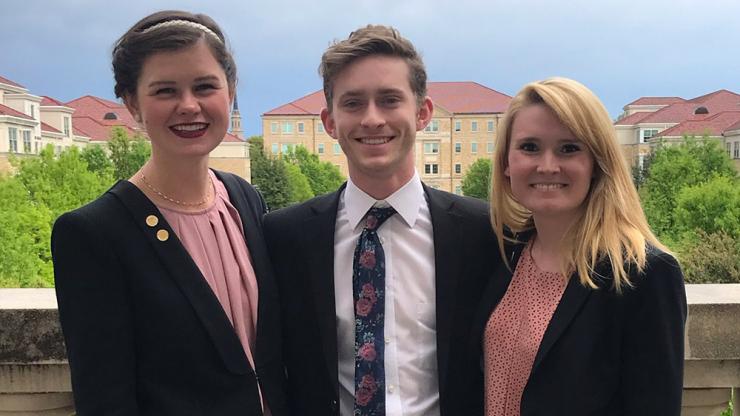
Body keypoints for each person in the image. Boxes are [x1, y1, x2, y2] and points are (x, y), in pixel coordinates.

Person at [51, 10, 287, 415]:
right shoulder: (93, 233)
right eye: (164, 91)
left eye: (205, 86)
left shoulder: (243, 198)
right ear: (132, 103)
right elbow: (105, 397)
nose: (189, 105)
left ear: (229, 92)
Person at [263, 25, 499, 416]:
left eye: (390, 100)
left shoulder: (484, 233)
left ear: (423, 113)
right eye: (353, 103)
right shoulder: (285, 237)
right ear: (330, 121)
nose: (372, 119)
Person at [471, 77, 687, 415]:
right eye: (529, 147)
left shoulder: (642, 274)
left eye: (568, 148)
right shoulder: (502, 251)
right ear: (506, 164)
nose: (547, 165)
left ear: (597, 164)